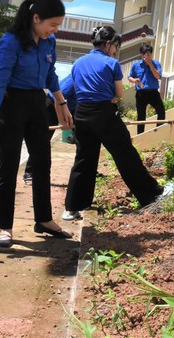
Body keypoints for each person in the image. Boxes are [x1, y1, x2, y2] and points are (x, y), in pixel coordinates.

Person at [0, 0, 74, 248]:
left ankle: (43, 219)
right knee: (8, 165)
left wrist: (61, 103)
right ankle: (5, 227)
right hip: (13, 103)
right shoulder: (11, 41)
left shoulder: (48, 41)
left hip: (37, 104)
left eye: (57, 25)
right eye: (52, 25)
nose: (54, 30)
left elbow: (51, 75)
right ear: (35, 18)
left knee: (42, 162)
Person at [63, 26, 163, 220]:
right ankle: (151, 194)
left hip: (81, 114)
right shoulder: (111, 63)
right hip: (104, 114)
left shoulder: (78, 63)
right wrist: (110, 98)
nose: (116, 50)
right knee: (126, 154)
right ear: (108, 44)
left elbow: (77, 89)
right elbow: (118, 94)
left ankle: (72, 208)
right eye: (116, 46)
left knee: (84, 159)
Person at [22, 73, 76, 184]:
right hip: (52, 105)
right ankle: (30, 172)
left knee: (84, 139)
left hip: (71, 108)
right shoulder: (76, 79)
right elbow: (58, 98)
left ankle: (85, 170)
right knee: (42, 139)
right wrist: (62, 121)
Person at [128, 43, 165, 134]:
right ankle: (140, 135)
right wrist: (134, 80)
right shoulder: (136, 65)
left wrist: (150, 64)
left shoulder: (156, 63)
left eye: (149, 54)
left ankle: (158, 132)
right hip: (141, 93)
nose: (147, 56)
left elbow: (158, 76)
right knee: (141, 116)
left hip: (153, 92)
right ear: (141, 54)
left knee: (161, 111)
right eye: (145, 54)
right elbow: (129, 77)